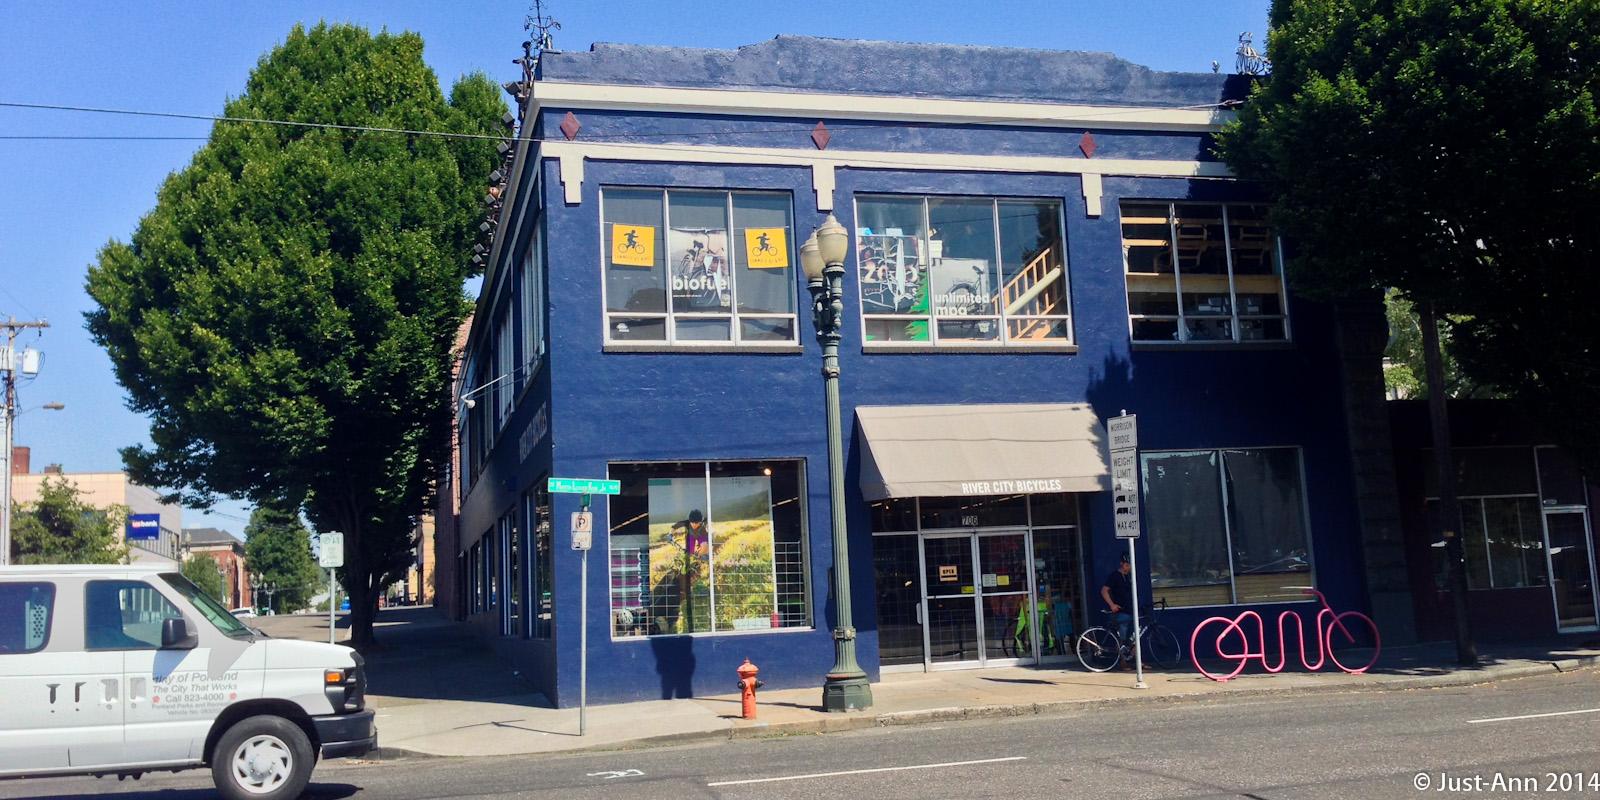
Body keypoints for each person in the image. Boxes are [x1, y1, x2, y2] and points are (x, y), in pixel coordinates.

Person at [1100, 553, 1134, 652]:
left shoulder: (1128, 577)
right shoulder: (1115, 576)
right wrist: (1112, 605)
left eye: (1130, 565)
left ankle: (1138, 660)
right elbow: (1104, 590)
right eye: (1126, 565)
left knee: (1134, 637)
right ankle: (1122, 661)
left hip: (1129, 610)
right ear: (1121, 564)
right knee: (1122, 638)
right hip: (1121, 611)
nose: (1128, 568)